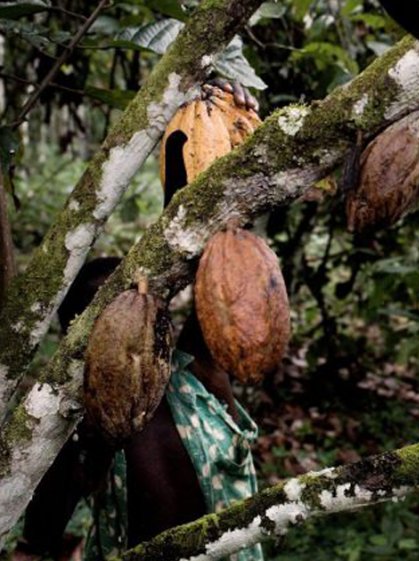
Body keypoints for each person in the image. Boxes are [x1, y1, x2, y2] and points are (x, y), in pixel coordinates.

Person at [14, 81, 263, 561]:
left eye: (145, 313)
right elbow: (37, 540)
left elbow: (215, 248)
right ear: (81, 340)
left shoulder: (197, 375)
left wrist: (201, 125)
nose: (136, 330)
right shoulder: (85, 427)